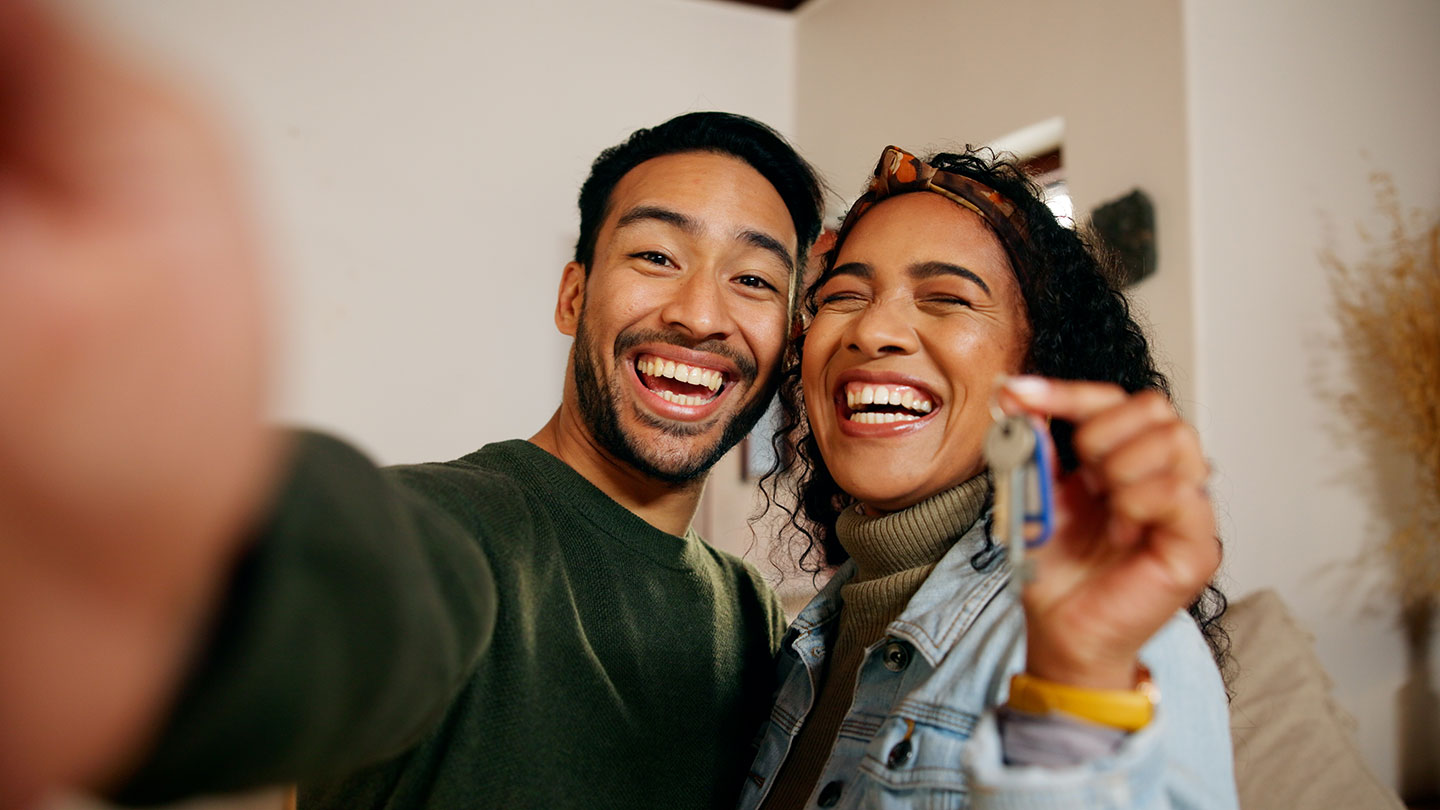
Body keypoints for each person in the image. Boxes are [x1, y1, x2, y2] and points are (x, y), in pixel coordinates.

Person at [0, 4, 824, 809]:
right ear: (573, 296)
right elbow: (328, 600)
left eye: (753, 279)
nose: (700, 315)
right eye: (656, 256)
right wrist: (154, 558)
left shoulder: (749, 617)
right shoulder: (448, 529)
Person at [738, 146, 1237, 809]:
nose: (873, 330)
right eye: (844, 296)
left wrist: (1075, 680)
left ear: (1036, 369)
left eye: (947, 297)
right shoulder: (799, 651)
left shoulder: (1115, 644)